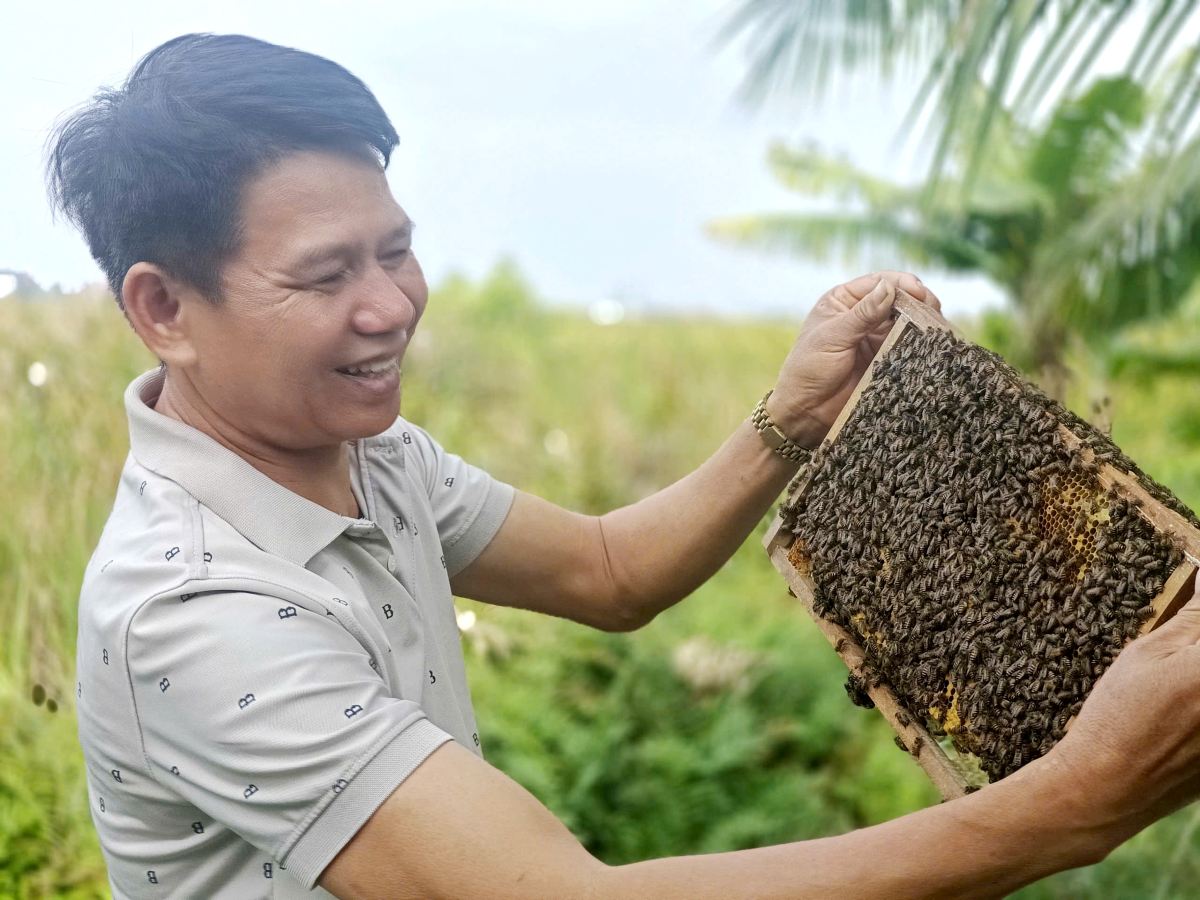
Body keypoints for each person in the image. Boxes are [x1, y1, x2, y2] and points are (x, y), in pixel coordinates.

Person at [47, 32, 1200, 900]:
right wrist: (1078, 800)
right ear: (163, 307)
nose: (391, 305)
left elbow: (607, 571)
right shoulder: (193, 613)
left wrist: (791, 416)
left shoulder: (368, 453)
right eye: (325, 275)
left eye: (397, 249)